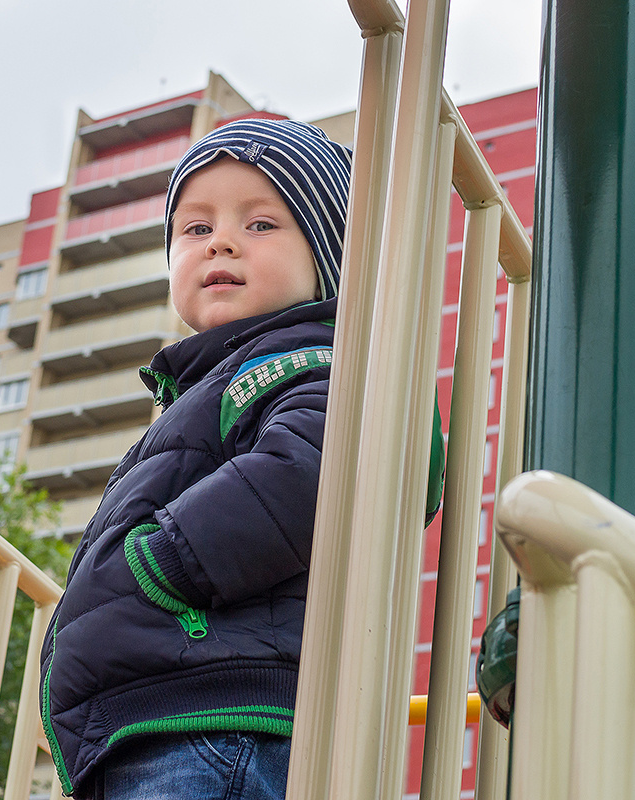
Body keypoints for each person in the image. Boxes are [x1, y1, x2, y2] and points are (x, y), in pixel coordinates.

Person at [39, 118, 444, 800]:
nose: (220, 239)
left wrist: (164, 560)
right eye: (195, 229)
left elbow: (311, 473)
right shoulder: (212, 385)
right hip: (166, 717)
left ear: (327, 259)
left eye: (261, 224)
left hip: (216, 717)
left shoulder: (318, 361)